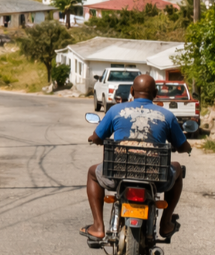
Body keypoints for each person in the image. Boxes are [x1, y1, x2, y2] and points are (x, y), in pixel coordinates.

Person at [80, 74, 190, 241]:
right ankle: (166, 223)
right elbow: (182, 146)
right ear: (155, 93)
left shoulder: (116, 110)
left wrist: (93, 139)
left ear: (131, 91)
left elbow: (97, 137)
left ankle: (98, 227)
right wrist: (186, 148)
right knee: (177, 169)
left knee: (92, 173)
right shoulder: (167, 116)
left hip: (118, 172)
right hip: (155, 175)